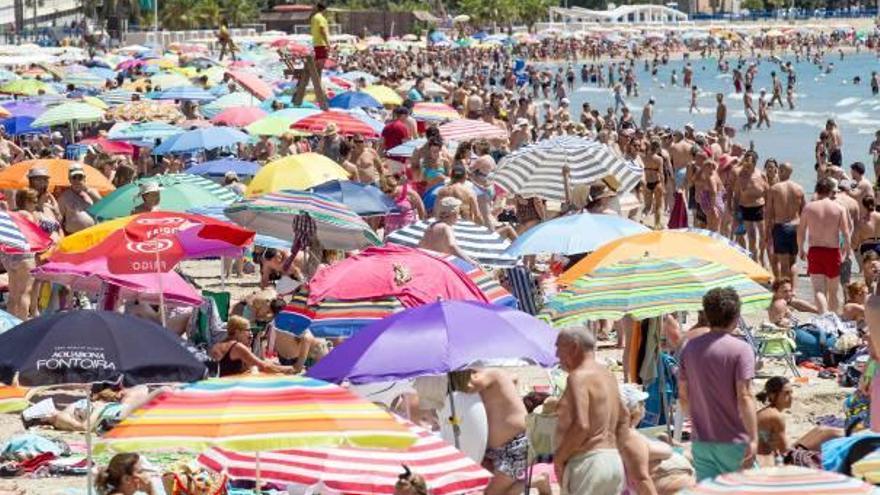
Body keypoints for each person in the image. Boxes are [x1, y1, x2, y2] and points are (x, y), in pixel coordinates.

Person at [679, 287, 757, 481]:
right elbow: (745, 396)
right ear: (736, 316)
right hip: (734, 440)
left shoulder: (690, 348)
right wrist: (754, 438)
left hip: (702, 440)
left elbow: (683, 396)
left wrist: (697, 422)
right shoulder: (741, 349)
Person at [554, 327, 627, 495]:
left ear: (574, 347)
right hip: (613, 461)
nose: (557, 354)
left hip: (589, 462)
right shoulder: (608, 375)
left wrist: (559, 458)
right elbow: (625, 417)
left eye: (559, 347)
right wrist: (618, 451)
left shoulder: (578, 377)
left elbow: (582, 425)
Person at [455, 368, 528, 495]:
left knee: (491, 493)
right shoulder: (494, 380)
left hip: (516, 445)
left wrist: (449, 374)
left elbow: (469, 386)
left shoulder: (493, 374)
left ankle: (536, 481)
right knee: (487, 490)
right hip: (491, 451)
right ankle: (537, 481)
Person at [756, 376, 843, 467]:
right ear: (772, 395)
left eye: (791, 392)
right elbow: (784, 450)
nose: (791, 397)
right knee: (828, 434)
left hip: (773, 457)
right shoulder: (775, 416)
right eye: (786, 393)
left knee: (822, 430)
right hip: (773, 463)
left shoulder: (766, 412)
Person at [798, 177, 851, 314]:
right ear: (830, 191)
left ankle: (824, 317)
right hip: (832, 252)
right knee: (833, 291)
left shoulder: (809, 207)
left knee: (818, 290)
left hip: (815, 250)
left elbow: (801, 231)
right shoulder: (839, 208)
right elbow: (846, 233)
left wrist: (800, 249)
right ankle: (833, 318)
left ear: (818, 190)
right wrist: (846, 253)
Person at [209, 315, 296, 376]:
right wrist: (290, 369)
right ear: (237, 331)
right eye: (248, 330)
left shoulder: (218, 345)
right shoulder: (237, 347)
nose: (251, 334)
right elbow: (263, 367)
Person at [766, 162, 805, 282]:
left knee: (783, 263)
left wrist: (767, 232)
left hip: (781, 227)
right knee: (793, 263)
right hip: (796, 227)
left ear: (781, 171)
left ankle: (784, 290)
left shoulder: (774, 189)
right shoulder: (799, 189)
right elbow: (804, 211)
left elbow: (769, 213)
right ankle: (792, 290)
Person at [417, 197, 479, 266]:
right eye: (459, 213)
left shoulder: (431, 226)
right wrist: (469, 261)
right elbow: (452, 246)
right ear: (454, 214)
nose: (459, 216)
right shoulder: (446, 227)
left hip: (427, 260)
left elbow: (421, 245)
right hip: (438, 263)